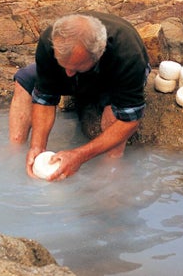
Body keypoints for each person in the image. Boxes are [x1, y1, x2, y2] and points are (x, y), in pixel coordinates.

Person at [9, 12, 150, 180]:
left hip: (111, 76)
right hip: (78, 67)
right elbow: (45, 99)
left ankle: (110, 172)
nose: (68, 73)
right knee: (23, 81)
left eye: (74, 68)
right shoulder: (50, 40)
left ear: (97, 55)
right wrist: (37, 147)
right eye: (64, 66)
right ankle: (14, 151)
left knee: (113, 116)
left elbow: (129, 121)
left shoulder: (127, 53)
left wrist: (80, 155)